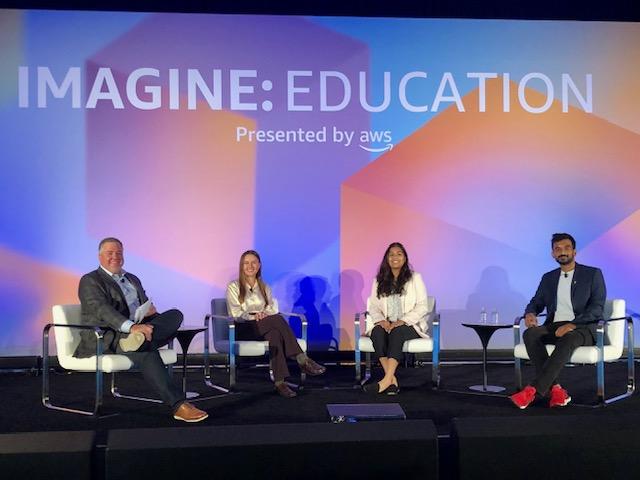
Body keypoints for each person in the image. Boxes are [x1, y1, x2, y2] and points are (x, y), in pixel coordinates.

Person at [76, 237, 208, 422]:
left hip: (138, 331)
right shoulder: (90, 280)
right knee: (146, 350)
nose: (115, 257)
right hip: (108, 335)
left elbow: (143, 305)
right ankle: (179, 405)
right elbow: (102, 311)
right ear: (100, 256)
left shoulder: (132, 278)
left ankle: (138, 339)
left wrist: (149, 313)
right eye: (110, 253)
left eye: (119, 253)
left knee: (175, 314)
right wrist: (132, 327)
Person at [510, 233, 606, 409]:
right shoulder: (549, 278)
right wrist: (530, 313)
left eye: (567, 248)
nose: (563, 252)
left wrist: (572, 324)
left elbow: (597, 308)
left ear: (574, 252)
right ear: (553, 254)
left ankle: (533, 390)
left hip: (583, 328)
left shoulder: (592, 274)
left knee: (569, 337)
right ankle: (556, 390)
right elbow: (536, 302)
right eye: (558, 249)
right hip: (554, 325)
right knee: (530, 334)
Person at [226, 250, 326, 398]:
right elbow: (235, 313)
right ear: (241, 266)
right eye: (246, 263)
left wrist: (264, 314)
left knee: (275, 334)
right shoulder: (234, 286)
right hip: (244, 327)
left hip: (265, 325)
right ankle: (301, 359)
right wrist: (255, 316)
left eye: (253, 262)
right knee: (278, 320)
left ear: (259, 265)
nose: (250, 266)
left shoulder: (265, 287)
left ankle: (280, 383)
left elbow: (272, 308)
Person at [363, 242, 429, 394]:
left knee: (397, 332)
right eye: (391, 254)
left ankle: (385, 380)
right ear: (387, 258)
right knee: (377, 332)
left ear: (405, 258)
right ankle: (391, 381)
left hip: (410, 324)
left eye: (399, 254)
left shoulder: (415, 278)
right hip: (386, 323)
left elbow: (423, 305)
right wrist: (381, 321)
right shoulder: (378, 280)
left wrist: (403, 320)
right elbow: (373, 306)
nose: (395, 257)